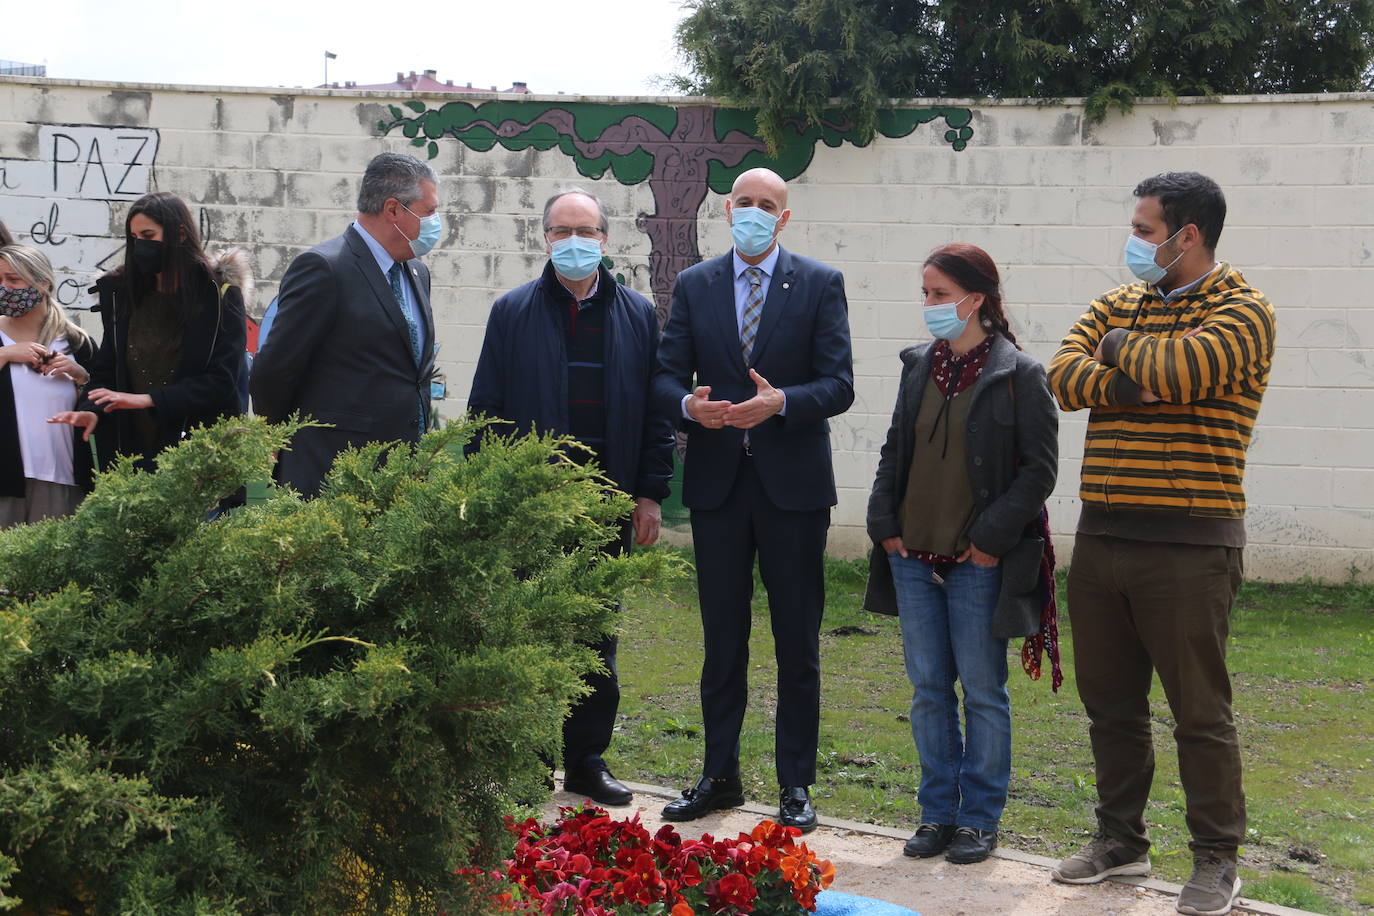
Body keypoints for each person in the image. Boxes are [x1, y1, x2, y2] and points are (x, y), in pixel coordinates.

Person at [1046, 172, 1275, 916]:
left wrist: (1117, 349)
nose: (1133, 242)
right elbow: (1061, 377)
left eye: (1145, 231)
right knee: (1111, 707)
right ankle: (1121, 841)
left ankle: (1216, 859)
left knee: (1199, 715)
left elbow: (1181, 370)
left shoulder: (1244, 310)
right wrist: (1126, 378)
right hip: (1103, 536)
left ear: (1188, 236)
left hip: (1191, 544)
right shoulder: (1120, 299)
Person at [652, 167, 854, 833]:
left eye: (768, 205)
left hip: (793, 490)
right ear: (727, 208)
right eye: (745, 202)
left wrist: (782, 402)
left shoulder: (820, 282)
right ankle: (719, 776)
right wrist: (690, 407)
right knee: (722, 639)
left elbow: (839, 384)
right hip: (718, 488)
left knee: (796, 641)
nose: (755, 212)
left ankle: (795, 784)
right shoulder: (696, 283)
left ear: (784, 217)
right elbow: (665, 376)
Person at [467, 188, 674, 807]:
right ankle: (529, 760)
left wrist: (649, 495)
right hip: (533, 507)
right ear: (545, 239)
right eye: (563, 231)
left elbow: (657, 417)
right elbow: (485, 410)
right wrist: (492, 501)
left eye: (586, 231)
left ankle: (585, 760)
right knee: (529, 632)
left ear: (605, 240)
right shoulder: (512, 312)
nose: (575, 242)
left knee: (595, 637)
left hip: (607, 504)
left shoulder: (638, 315)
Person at [863, 244, 1058, 864]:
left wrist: (989, 541)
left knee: (982, 691)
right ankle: (937, 815)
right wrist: (882, 522)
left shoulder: (1019, 374)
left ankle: (978, 820)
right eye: (925, 293)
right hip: (911, 557)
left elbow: (1039, 471)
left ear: (976, 299)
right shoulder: (918, 364)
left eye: (940, 294)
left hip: (977, 563)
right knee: (928, 690)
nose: (929, 305)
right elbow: (895, 447)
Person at [250, 152, 440, 498]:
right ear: (393, 209)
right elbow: (274, 369)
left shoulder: (417, 272)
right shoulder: (324, 268)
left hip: (402, 476)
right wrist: (276, 436)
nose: (435, 222)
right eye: (428, 211)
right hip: (332, 474)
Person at [48, 192, 247, 476]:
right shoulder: (121, 294)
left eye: (148, 235)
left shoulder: (219, 296)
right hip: (130, 456)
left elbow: (221, 382)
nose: (140, 245)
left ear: (180, 235)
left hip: (198, 459)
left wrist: (148, 399)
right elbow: (107, 372)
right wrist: (91, 410)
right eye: (134, 237)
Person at [0, 245, 94, 526]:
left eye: (13, 279)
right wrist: (6, 354)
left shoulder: (77, 342)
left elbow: (101, 407)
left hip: (62, 479)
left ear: (42, 284)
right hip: (5, 480)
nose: (4, 287)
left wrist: (81, 377)